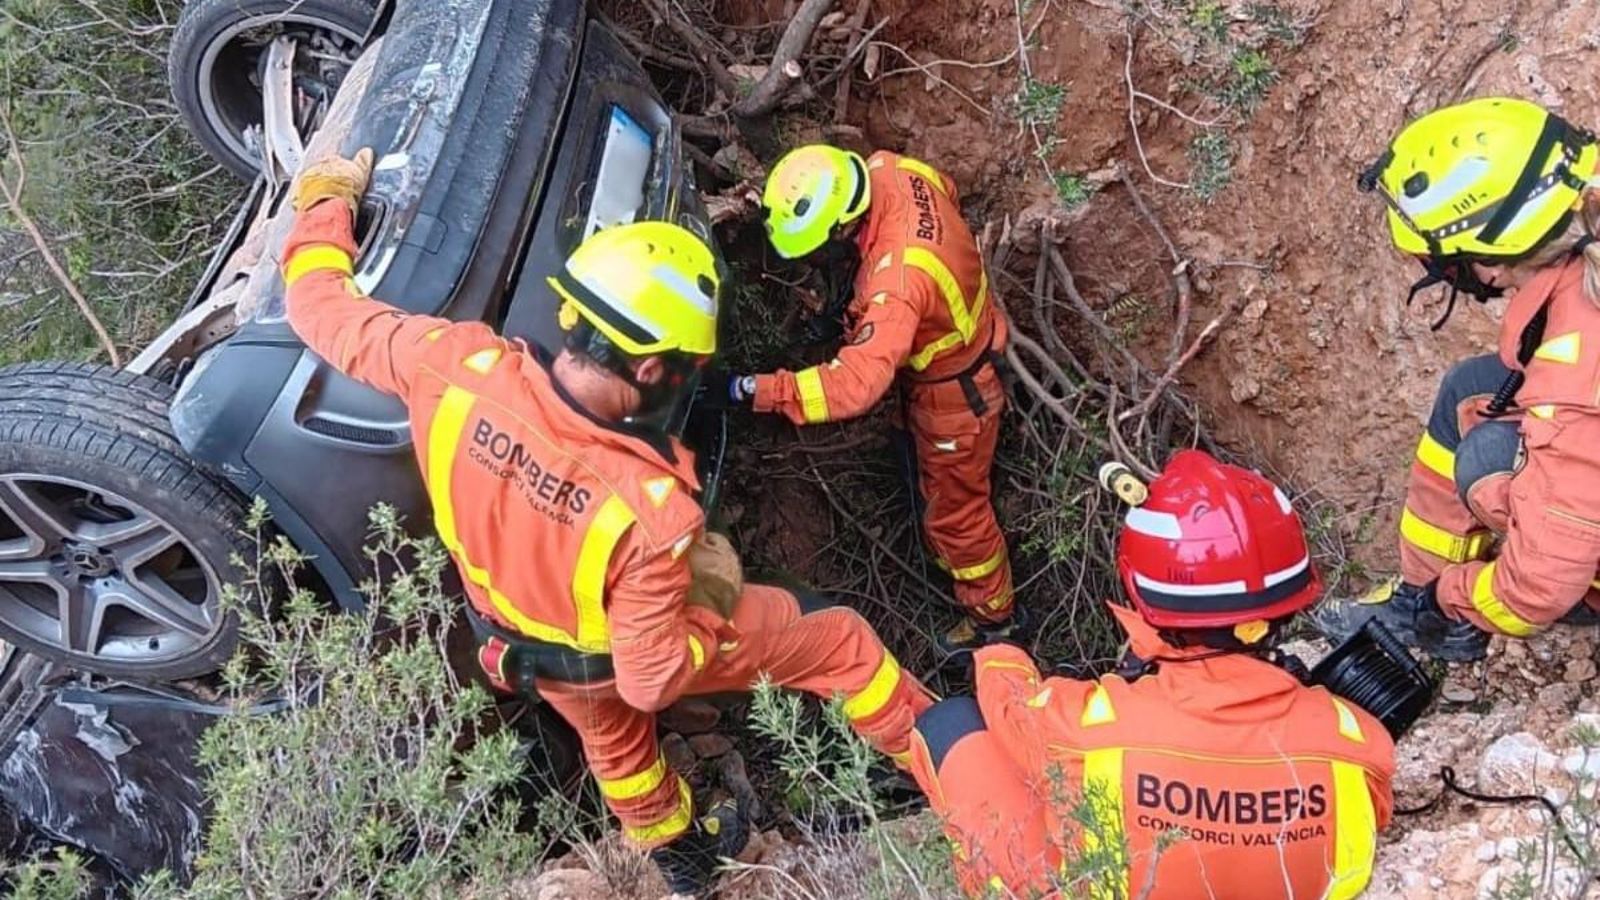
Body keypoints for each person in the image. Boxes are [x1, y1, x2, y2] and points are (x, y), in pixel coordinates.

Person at [278, 149, 934, 896]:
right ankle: (940, 760)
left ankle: (683, 863)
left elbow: (317, 305)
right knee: (838, 643)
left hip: (516, 635)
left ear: (574, 316)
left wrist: (326, 200)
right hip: (611, 649)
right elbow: (653, 678)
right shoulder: (651, 516)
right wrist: (711, 593)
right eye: (686, 364)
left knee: (618, 750)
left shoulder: (452, 366)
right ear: (653, 369)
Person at [906, 450, 1396, 899]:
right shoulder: (1357, 740)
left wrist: (999, 653)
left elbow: (1011, 709)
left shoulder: (1088, 727)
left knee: (948, 725)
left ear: (1144, 600)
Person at [1319, 97, 1600, 661]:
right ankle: (1414, 597)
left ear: (1490, 261)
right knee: (1471, 391)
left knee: (1488, 455)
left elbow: (1535, 594)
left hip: (1554, 559)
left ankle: (1443, 612)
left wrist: (1452, 598)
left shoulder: (1576, 380)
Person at [712, 144, 1015, 652]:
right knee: (920, 472)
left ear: (841, 230)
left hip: (956, 396)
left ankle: (993, 623)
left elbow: (853, 385)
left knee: (957, 516)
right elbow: (948, 193)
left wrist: (758, 389)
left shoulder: (896, 286)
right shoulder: (890, 169)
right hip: (947, 352)